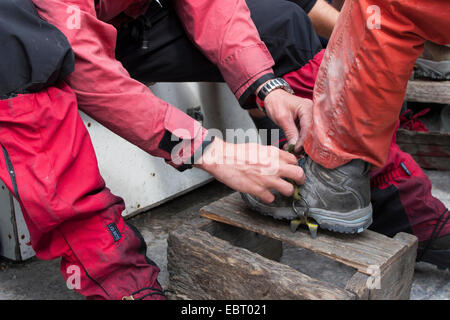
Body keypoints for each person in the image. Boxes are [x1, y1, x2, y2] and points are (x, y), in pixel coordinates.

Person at [4, 0, 322, 300]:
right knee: (21, 53)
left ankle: (326, 187)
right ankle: (124, 284)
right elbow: (85, 66)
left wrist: (265, 85)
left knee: (282, 25)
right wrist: (207, 151)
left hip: (130, 24)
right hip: (47, 39)